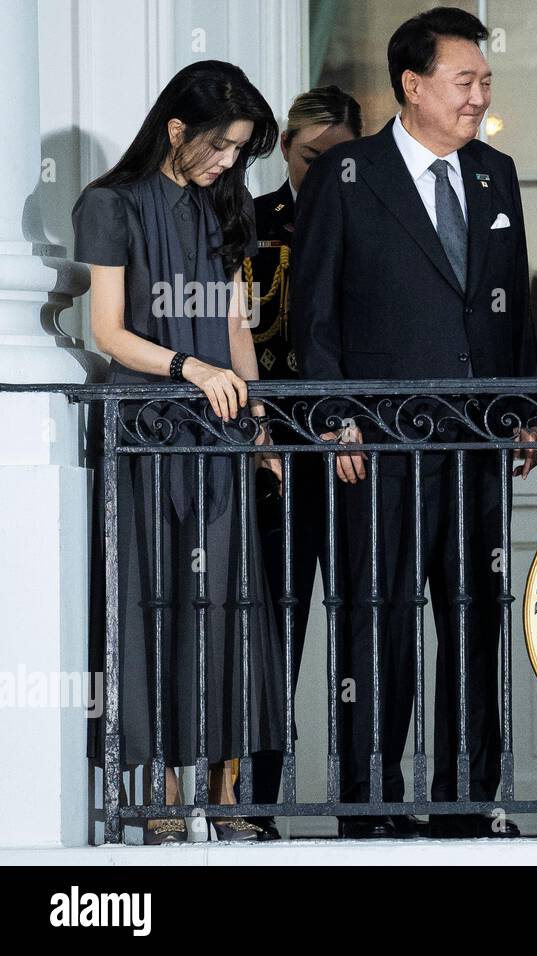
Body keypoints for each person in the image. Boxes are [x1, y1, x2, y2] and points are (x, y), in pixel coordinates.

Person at [291, 6, 537, 840]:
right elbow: (312, 314)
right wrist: (335, 418)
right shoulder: (345, 175)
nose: (479, 96)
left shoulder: (495, 173)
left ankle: (470, 799)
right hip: (377, 446)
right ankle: (370, 803)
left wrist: (524, 411)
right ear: (413, 84)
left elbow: (512, 317)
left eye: (484, 81)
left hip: (474, 445)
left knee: (474, 615)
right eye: (465, 80)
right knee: (378, 618)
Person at [74, 60, 284, 843]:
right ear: (176, 129)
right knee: (156, 607)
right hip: (150, 438)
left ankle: (225, 797)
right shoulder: (109, 204)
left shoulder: (223, 209)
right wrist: (188, 369)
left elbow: (236, 329)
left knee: (230, 609)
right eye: (223, 146)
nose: (231, 163)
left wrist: (258, 420)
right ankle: (162, 792)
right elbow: (107, 331)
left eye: (240, 151)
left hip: (221, 438)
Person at [244, 85, 362, 840]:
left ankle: (362, 802)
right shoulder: (248, 223)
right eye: (309, 156)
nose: (320, 172)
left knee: (363, 630)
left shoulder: (368, 213)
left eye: (336, 158)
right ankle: (255, 804)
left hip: (349, 450)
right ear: (286, 149)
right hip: (272, 450)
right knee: (273, 632)